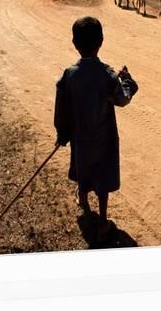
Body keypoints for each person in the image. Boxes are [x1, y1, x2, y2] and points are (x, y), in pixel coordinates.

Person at [54, 16, 138, 242]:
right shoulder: (108, 74)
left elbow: (60, 108)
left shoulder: (68, 75)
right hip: (104, 139)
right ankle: (102, 220)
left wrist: (62, 133)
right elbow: (122, 99)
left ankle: (83, 200)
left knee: (83, 167)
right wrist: (128, 81)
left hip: (81, 139)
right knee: (102, 177)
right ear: (101, 41)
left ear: (74, 43)